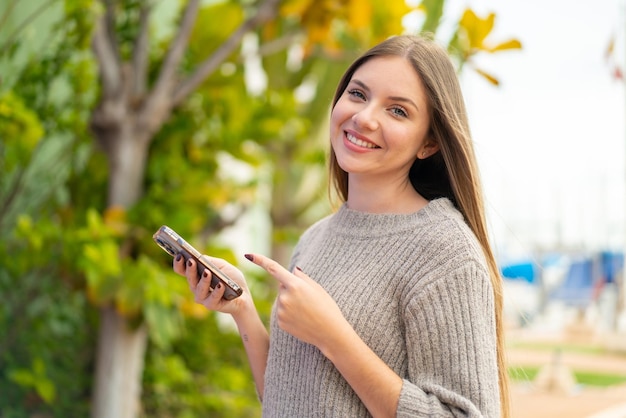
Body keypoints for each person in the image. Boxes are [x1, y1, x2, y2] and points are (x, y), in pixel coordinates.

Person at [174, 34, 510, 417]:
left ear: (429, 143)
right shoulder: (316, 238)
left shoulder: (445, 251)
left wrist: (335, 337)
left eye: (397, 111)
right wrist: (243, 309)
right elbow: (291, 400)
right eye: (358, 94)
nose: (364, 117)